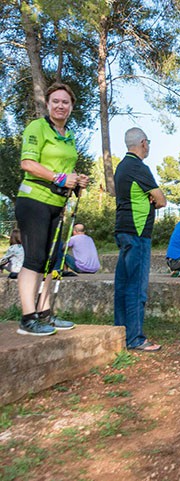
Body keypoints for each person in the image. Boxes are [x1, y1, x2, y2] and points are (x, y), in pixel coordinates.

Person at [14, 83, 89, 336]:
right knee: (34, 258)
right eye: (56, 101)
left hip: (57, 203)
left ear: (71, 107)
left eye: (65, 102)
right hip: (33, 200)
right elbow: (27, 163)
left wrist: (76, 180)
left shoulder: (68, 135)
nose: (60, 106)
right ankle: (27, 317)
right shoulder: (37, 128)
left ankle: (44, 313)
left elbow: (65, 171)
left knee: (51, 260)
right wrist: (59, 178)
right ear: (48, 104)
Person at [114, 127, 167, 351]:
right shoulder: (138, 167)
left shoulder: (121, 167)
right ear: (143, 143)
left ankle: (120, 332)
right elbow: (161, 199)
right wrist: (152, 200)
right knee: (136, 287)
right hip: (138, 232)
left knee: (123, 284)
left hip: (122, 229)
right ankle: (135, 338)